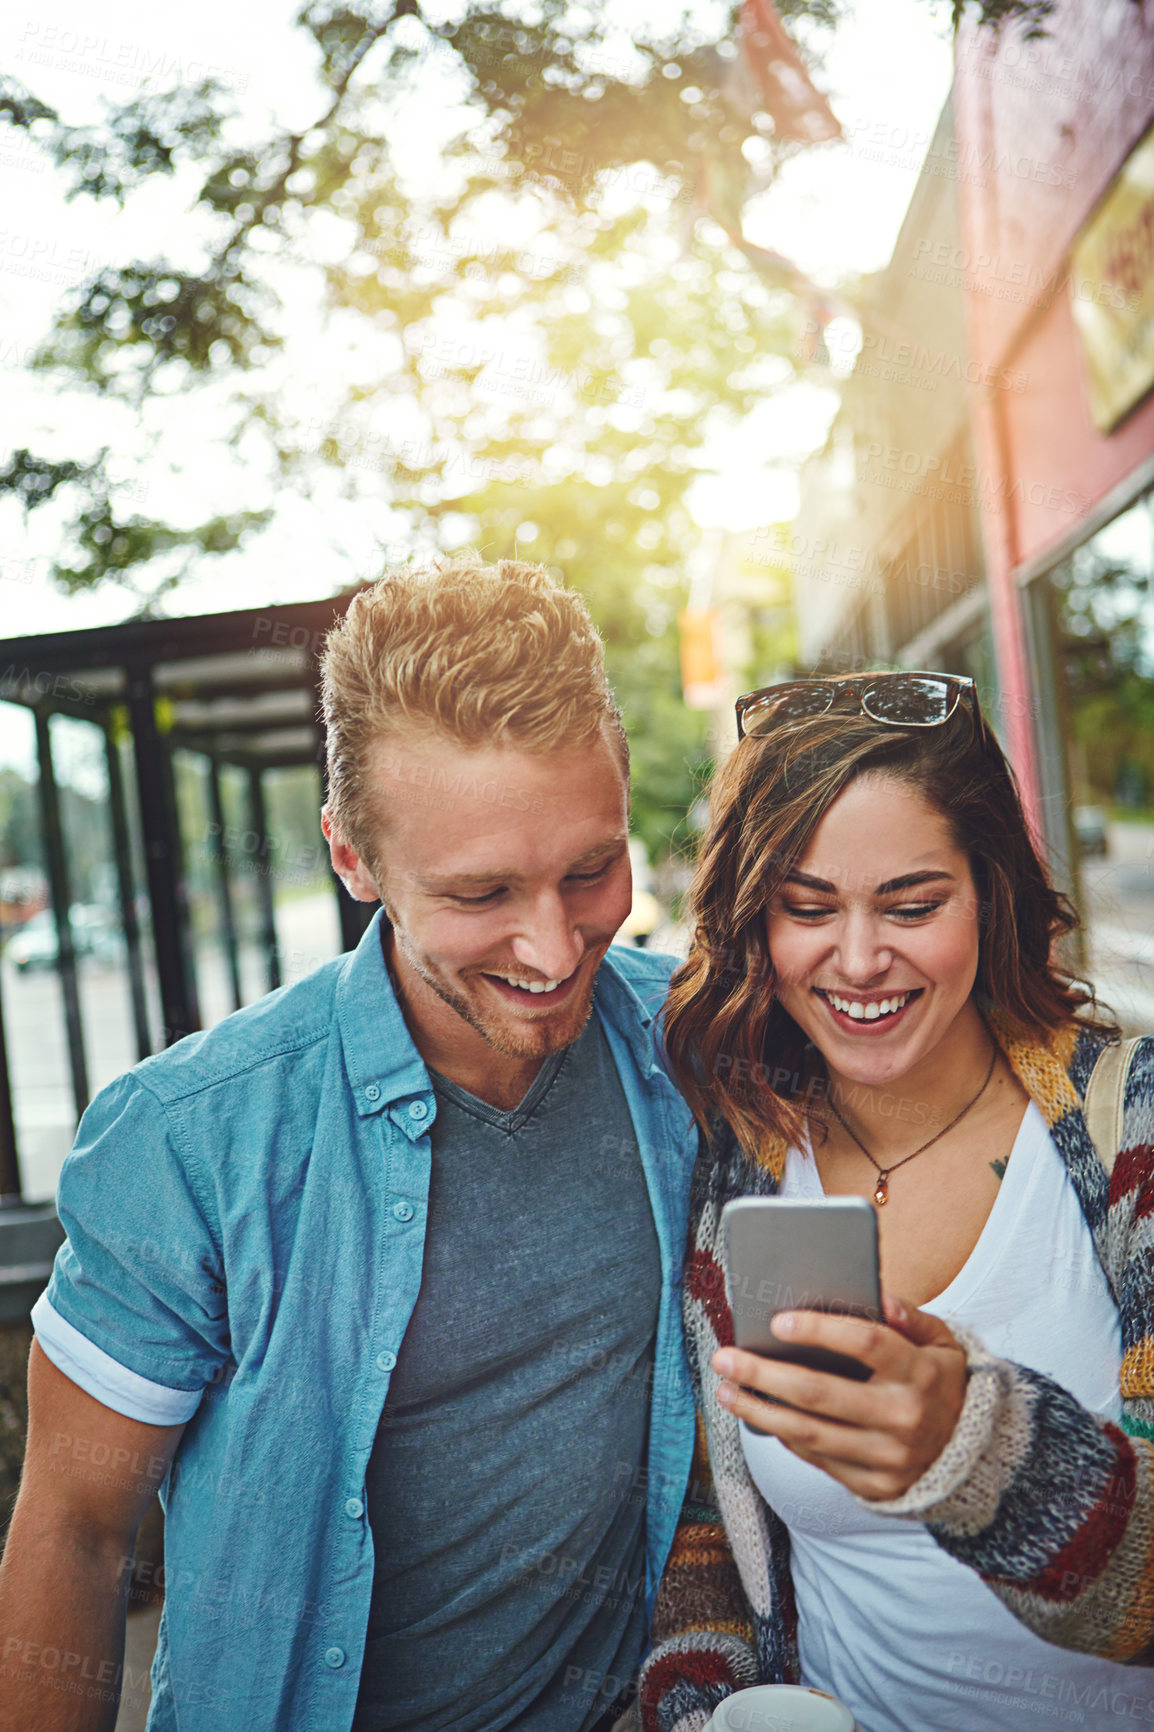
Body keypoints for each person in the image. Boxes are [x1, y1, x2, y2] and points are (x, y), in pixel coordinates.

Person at [0, 558, 698, 1732]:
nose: (552, 944)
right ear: (352, 858)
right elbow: (75, 1532)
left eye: (589, 870)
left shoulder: (694, 1048)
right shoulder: (190, 1141)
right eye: (480, 893)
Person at [637, 671, 1154, 1731]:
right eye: (806, 908)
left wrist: (968, 1450)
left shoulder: (1127, 1126)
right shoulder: (737, 1152)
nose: (860, 959)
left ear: (989, 893)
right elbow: (711, 1520)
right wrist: (698, 1702)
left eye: (912, 905)